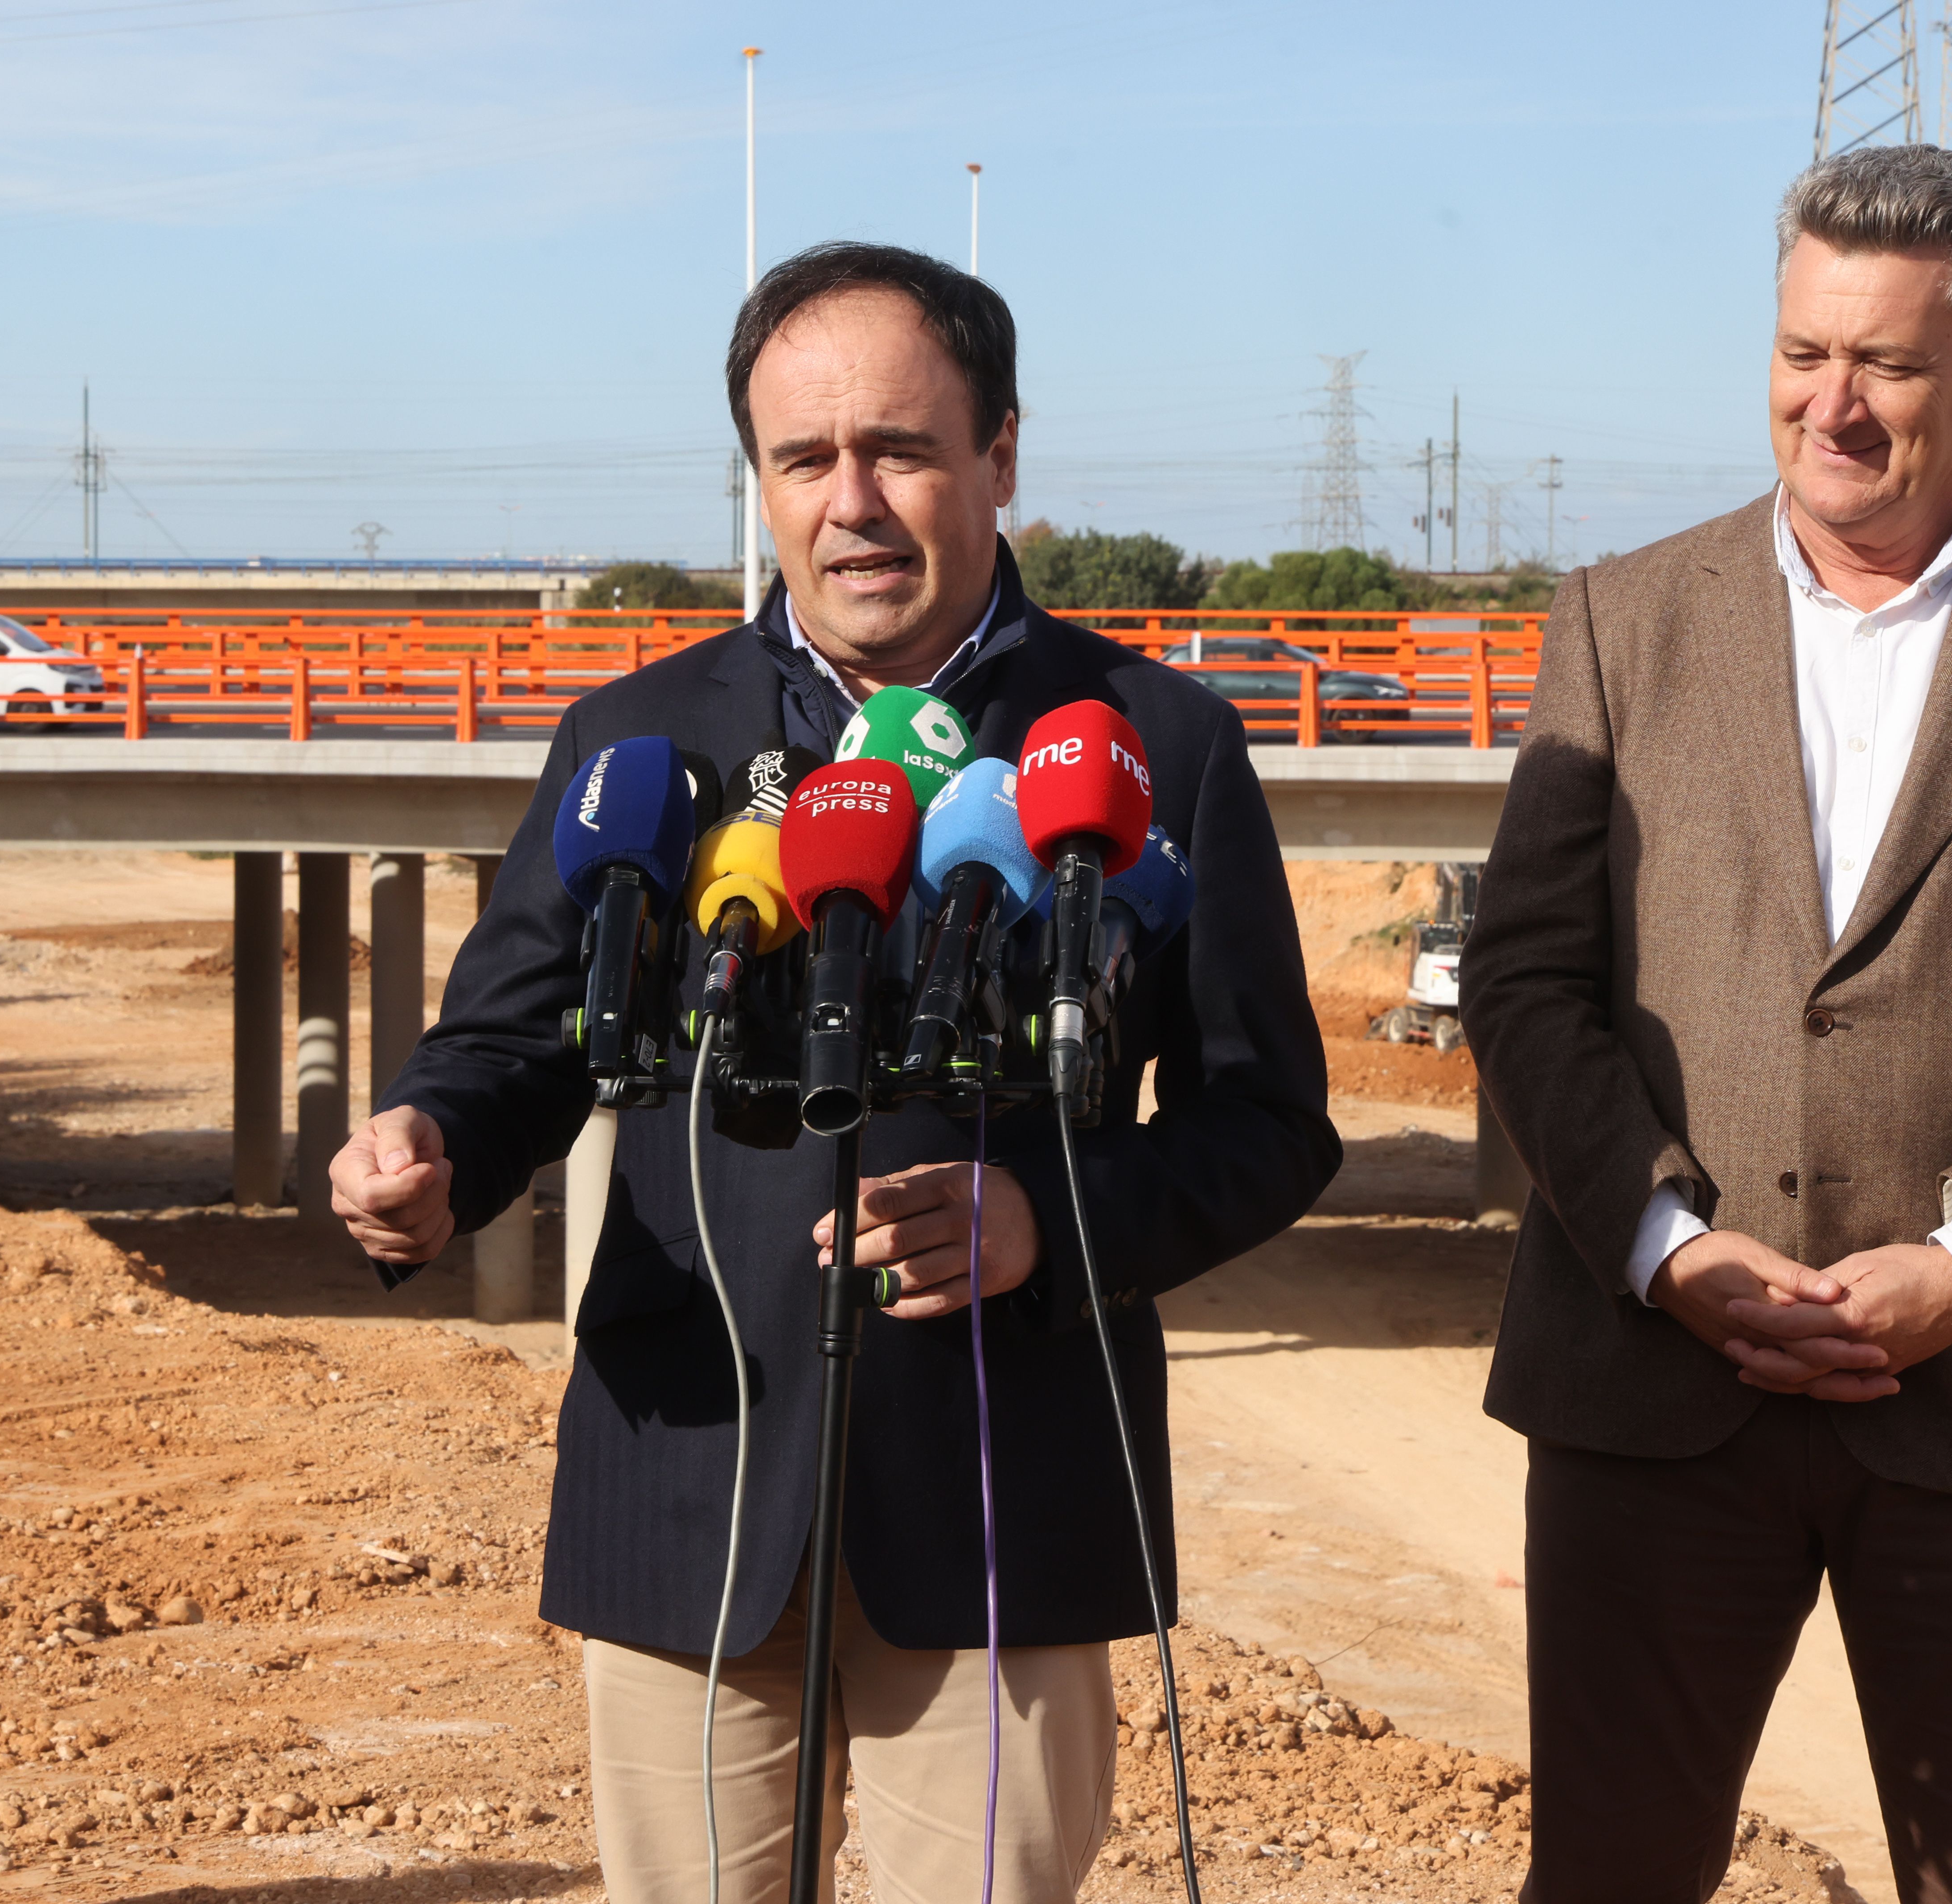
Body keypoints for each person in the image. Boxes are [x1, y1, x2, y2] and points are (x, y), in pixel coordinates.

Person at [330, 242, 1338, 1902]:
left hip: (1007, 1498)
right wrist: (429, 1147)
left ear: (1002, 455)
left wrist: (1044, 1224)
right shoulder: (637, 743)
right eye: (806, 460)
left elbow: (1271, 1124)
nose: (852, 502)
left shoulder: (1153, 741)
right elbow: (512, 1044)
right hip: (693, 1479)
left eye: (903, 450)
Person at [1463, 146, 1952, 1904]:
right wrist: (1667, 1246)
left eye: (1888, 365)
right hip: (1654, 1388)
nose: (1828, 406)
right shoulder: (1624, 619)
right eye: (1800, 353)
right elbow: (1530, 983)